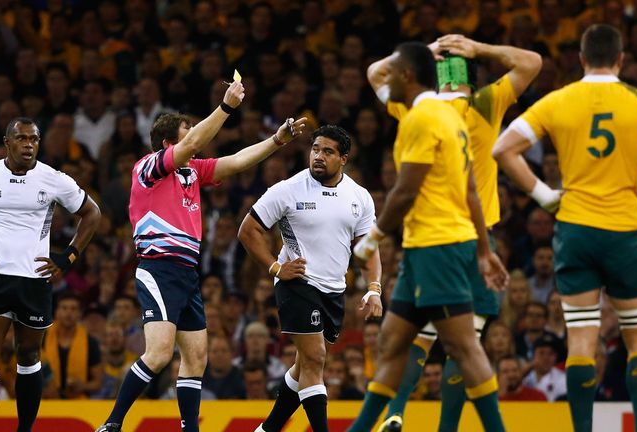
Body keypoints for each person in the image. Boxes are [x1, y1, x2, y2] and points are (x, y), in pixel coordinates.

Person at [493, 24, 637, 432]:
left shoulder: (559, 100)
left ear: (582, 60)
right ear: (621, 60)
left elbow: (503, 149)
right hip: (628, 232)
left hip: (576, 231)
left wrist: (545, 195)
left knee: (582, 342)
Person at [95, 79, 307, 432]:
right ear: (168, 143)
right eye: (186, 130)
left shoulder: (191, 173)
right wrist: (226, 108)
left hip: (187, 273)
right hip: (158, 268)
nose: (194, 136)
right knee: (160, 354)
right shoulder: (147, 168)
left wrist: (277, 141)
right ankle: (113, 422)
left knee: (196, 358)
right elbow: (194, 142)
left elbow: (237, 161)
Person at [363, 34, 541, 431]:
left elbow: (375, 72)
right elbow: (530, 62)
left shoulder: (412, 108)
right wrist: (481, 48)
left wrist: (422, 52)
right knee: (465, 344)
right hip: (471, 237)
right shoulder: (483, 103)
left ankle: (394, 413)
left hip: (426, 236)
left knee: (412, 340)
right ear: (472, 79)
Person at [238, 124, 382, 432]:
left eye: (328, 152)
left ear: (343, 158)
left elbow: (368, 248)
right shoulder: (288, 189)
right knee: (316, 359)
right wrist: (276, 269)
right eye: (315, 149)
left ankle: (268, 429)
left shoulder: (360, 197)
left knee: (304, 365)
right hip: (296, 283)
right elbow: (248, 231)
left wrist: (374, 288)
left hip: (334, 290)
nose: (318, 156)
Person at [0, 117, 101, 432]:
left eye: (34, 139)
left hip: (35, 280)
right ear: (7, 142)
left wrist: (67, 257)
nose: (28, 145)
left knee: (28, 355)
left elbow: (92, 213)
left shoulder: (53, 180)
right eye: (21, 138)